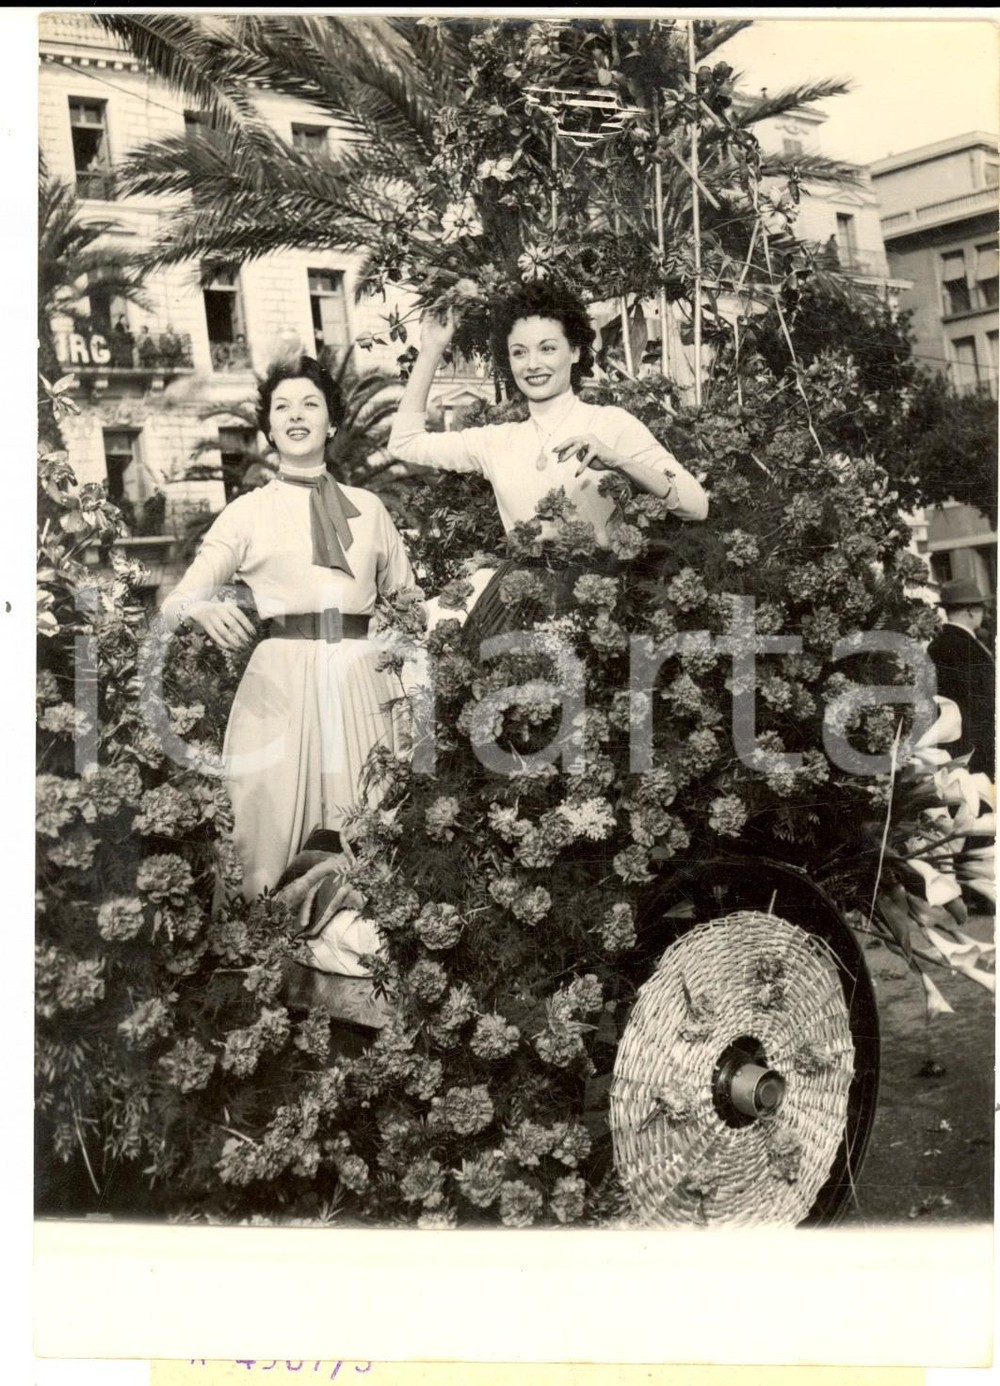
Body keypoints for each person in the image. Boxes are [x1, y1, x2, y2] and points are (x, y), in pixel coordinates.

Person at [161, 354, 416, 899]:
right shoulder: (247, 512)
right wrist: (202, 609)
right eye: (282, 407)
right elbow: (175, 601)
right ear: (269, 427)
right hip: (279, 685)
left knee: (367, 828)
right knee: (264, 836)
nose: (295, 415)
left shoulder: (370, 509)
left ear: (333, 421)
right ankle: (262, 964)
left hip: (362, 680)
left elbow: (409, 605)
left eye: (310, 404)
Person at [387, 281, 709, 647]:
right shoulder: (495, 440)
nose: (533, 364)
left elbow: (696, 505)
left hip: (603, 607)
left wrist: (620, 462)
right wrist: (431, 349)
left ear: (574, 351)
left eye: (547, 348)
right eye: (519, 352)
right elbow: (405, 442)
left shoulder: (611, 423)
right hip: (516, 610)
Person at [927, 578, 995, 778]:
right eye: (981, 608)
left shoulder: (936, 644)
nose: (984, 614)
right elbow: (984, 702)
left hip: (951, 745)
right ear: (971, 611)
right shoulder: (969, 648)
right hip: (978, 747)